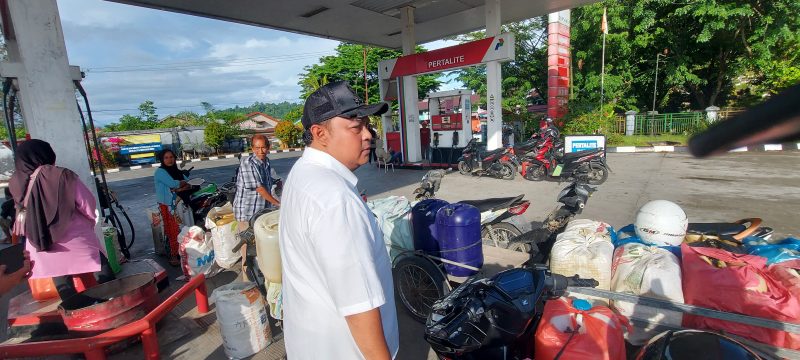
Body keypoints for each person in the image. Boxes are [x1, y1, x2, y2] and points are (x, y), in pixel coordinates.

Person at [279, 81, 399, 359]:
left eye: (367, 126)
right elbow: (359, 305)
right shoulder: (335, 199)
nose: (368, 135)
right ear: (320, 133)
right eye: (356, 127)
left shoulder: (302, 174)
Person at [8, 139, 115, 299]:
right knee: (100, 266)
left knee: (59, 277)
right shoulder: (62, 175)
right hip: (72, 234)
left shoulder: (15, 181)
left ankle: (76, 315)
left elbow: (20, 210)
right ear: (46, 154)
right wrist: (90, 221)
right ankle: (115, 301)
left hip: (39, 240)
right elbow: (86, 202)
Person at [233, 135, 280, 269]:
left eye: (263, 147)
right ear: (252, 148)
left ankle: (261, 274)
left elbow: (269, 184)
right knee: (247, 248)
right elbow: (259, 188)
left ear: (268, 147)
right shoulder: (248, 163)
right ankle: (247, 280)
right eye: (257, 148)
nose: (261, 151)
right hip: (247, 211)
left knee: (259, 245)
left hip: (260, 211)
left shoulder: (266, 162)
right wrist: (277, 203)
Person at [153, 149, 189, 266]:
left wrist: (180, 186)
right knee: (172, 229)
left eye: (171, 157)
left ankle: (183, 252)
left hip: (178, 202)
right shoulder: (160, 172)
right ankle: (173, 256)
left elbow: (187, 182)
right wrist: (180, 185)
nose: (170, 160)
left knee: (182, 227)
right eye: (166, 158)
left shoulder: (175, 170)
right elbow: (173, 184)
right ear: (162, 160)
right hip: (167, 204)